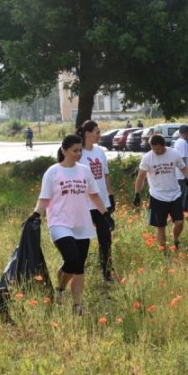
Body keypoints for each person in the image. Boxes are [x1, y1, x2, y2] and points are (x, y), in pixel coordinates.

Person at [31, 134, 107, 315]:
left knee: (78, 267)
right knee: (72, 260)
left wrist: (105, 213)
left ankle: (76, 304)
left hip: (82, 224)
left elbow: (94, 194)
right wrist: (35, 214)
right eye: (75, 151)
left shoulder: (84, 171)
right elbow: (44, 198)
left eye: (80, 150)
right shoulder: (53, 172)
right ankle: (61, 289)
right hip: (59, 223)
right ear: (64, 151)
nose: (78, 154)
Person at [133, 134, 188, 251]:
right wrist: (137, 194)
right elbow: (140, 177)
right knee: (160, 226)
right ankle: (163, 250)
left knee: (179, 222)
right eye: (153, 148)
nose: (155, 151)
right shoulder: (147, 158)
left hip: (175, 194)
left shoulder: (174, 154)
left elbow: (184, 170)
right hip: (157, 196)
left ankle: (175, 240)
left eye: (157, 149)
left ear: (163, 146)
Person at [77, 120, 116, 281]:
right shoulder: (79, 153)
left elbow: (105, 174)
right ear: (88, 133)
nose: (100, 135)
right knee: (82, 241)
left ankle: (107, 272)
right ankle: (77, 271)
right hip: (84, 204)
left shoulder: (100, 151)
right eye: (97, 132)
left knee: (105, 240)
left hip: (102, 204)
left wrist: (110, 195)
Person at [173, 124, 188, 210]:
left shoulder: (178, 142)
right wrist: (187, 175)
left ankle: (183, 211)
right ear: (187, 133)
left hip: (182, 175)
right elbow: (182, 160)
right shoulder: (182, 143)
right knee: (184, 197)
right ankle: (183, 212)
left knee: (184, 196)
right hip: (183, 176)